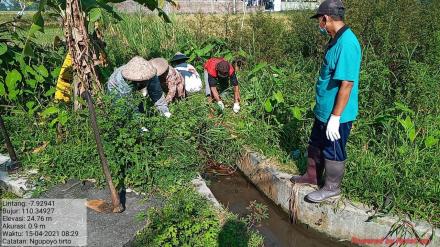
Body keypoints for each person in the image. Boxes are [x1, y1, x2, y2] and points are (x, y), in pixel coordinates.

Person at [290, 0, 362, 203]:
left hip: (337, 114)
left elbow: (347, 83)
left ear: (326, 18)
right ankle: (312, 176)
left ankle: (331, 188)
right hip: (324, 110)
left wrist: (336, 117)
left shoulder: (347, 43)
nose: (319, 25)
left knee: (333, 149)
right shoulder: (336, 39)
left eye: (320, 20)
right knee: (316, 143)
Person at [107, 56, 171, 118]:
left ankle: (140, 116)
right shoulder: (122, 81)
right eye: (141, 80)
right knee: (122, 109)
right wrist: (138, 123)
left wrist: (165, 112)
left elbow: (157, 94)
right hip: (117, 88)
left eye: (145, 80)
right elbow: (129, 103)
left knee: (140, 103)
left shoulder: (151, 73)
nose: (144, 81)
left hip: (134, 84)